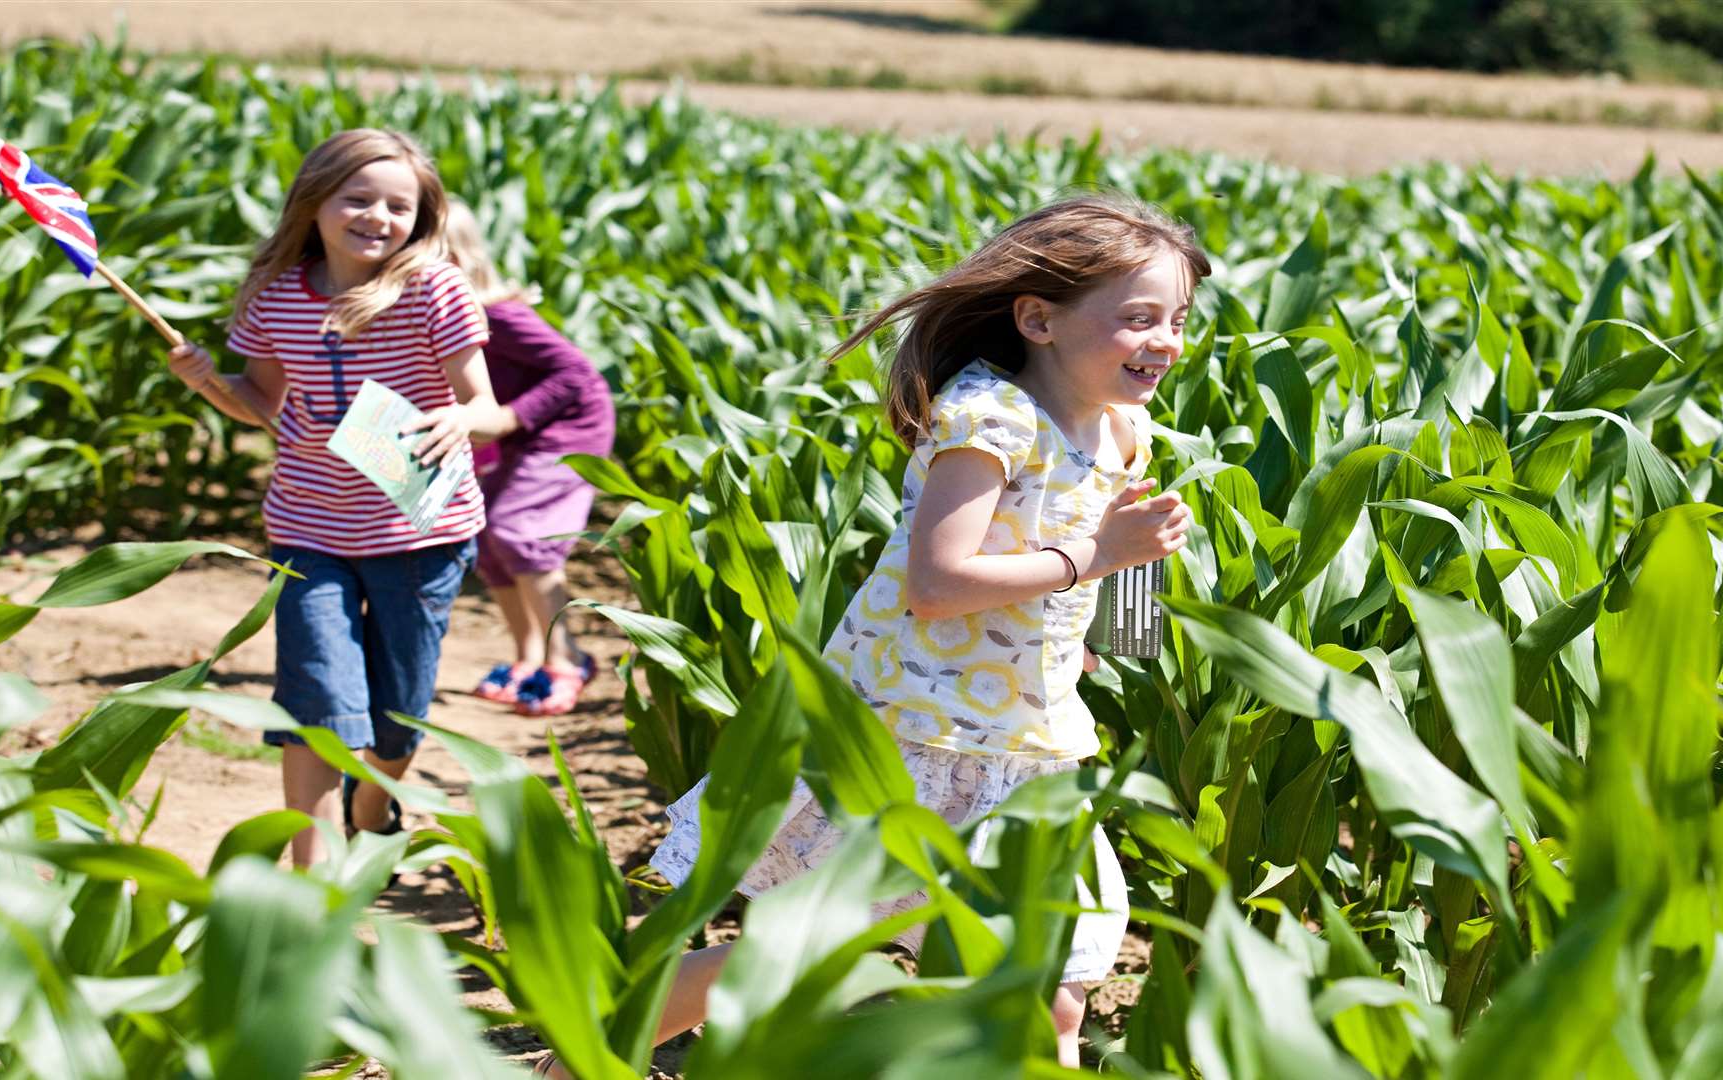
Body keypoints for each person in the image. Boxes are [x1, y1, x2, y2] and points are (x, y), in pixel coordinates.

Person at [538, 192, 1204, 1075]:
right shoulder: (989, 418)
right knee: (798, 955)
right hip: (912, 736)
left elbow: (1117, 559)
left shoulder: (1127, 430)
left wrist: (1110, 624)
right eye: (1139, 319)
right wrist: (1092, 555)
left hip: (1027, 746)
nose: (1165, 341)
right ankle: (580, 1053)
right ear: (1038, 318)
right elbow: (938, 583)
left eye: (1178, 321)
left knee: (1051, 994)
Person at [166, 129, 516, 869]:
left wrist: (458, 418)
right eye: (358, 199)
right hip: (309, 525)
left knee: (398, 718)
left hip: (419, 529)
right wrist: (207, 381)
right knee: (316, 703)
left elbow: (483, 404)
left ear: (421, 217)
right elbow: (261, 399)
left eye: (399, 205)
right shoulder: (275, 298)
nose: (377, 217)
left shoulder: (434, 289)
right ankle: (311, 880)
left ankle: (375, 796)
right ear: (315, 204)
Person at [445, 199, 616, 716]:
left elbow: (577, 374)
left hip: (567, 430)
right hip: (508, 434)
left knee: (519, 529)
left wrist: (511, 418)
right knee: (488, 538)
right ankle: (528, 656)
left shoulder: (498, 314)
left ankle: (567, 658)